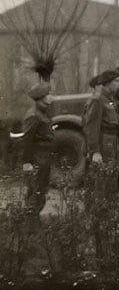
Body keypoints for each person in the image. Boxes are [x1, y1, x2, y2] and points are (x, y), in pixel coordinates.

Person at [21, 82, 55, 214]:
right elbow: (27, 141)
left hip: (44, 157)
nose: (51, 96)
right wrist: (27, 163)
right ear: (41, 98)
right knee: (36, 192)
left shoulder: (43, 113)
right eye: (48, 94)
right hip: (38, 159)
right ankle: (29, 226)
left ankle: (32, 224)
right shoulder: (34, 115)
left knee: (40, 192)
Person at [82, 69, 119, 164]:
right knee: (104, 172)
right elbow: (92, 127)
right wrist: (95, 151)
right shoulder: (98, 100)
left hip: (111, 141)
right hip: (103, 141)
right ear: (107, 83)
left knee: (112, 170)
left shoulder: (109, 99)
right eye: (116, 81)